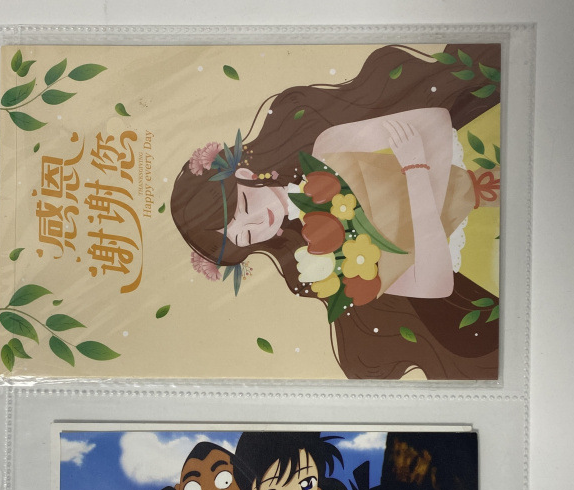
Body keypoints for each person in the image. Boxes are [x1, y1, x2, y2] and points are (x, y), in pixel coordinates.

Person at [171, 43, 501, 380]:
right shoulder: (328, 268)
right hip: (486, 248)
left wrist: (429, 217)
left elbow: (434, 122)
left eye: (244, 205)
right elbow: (434, 283)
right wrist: (415, 171)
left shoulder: (328, 147)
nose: (257, 221)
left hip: (485, 142)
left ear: (244, 174)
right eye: (246, 235)